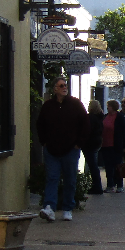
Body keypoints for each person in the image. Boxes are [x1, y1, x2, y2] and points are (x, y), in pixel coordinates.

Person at [35, 77, 89, 222]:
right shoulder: (48, 106)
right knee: (52, 178)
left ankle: (67, 208)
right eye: (61, 85)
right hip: (52, 150)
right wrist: (44, 142)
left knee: (70, 179)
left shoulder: (75, 104)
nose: (65, 87)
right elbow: (40, 124)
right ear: (55, 89)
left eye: (65, 85)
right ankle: (49, 208)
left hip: (70, 149)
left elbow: (85, 123)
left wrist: (79, 143)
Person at [101, 99, 125, 193]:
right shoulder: (105, 117)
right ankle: (110, 184)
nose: (108, 108)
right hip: (105, 145)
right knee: (108, 166)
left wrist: (124, 145)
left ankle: (119, 185)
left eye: (109, 106)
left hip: (116, 145)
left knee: (117, 166)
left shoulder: (119, 117)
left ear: (114, 107)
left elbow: (123, 132)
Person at [82, 100, 105, 195]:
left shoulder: (90, 118)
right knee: (92, 165)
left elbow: (87, 130)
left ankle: (97, 186)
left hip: (90, 143)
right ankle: (95, 185)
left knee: (92, 165)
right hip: (97, 142)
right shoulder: (100, 117)